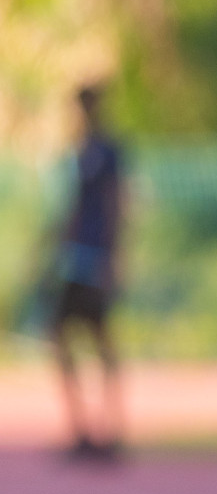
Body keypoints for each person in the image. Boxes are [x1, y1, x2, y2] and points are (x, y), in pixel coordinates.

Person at [52, 83, 126, 461]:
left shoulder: (109, 151)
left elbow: (118, 202)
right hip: (73, 256)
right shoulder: (76, 153)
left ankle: (111, 429)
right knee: (62, 337)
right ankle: (81, 429)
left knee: (100, 337)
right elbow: (68, 209)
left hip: (95, 256)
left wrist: (115, 256)